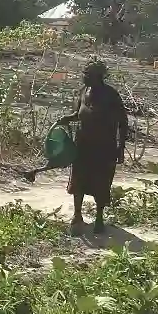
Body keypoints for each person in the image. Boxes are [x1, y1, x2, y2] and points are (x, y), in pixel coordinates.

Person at [56, 58, 129, 234]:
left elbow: (123, 122)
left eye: (88, 75)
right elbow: (79, 113)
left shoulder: (111, 95)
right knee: (78, 180)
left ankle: (99, 218)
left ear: (99, 77)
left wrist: (121, 148)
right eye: (84, 74)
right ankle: (77, 215)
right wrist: (68, 119)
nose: (84, 77)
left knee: (101, 183)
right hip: (83, 145)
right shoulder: (83, 92)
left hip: (104, 147)